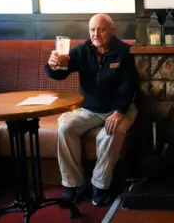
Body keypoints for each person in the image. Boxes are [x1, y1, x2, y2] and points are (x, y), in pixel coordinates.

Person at [45, 13, 138, 206]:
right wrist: (52, 65)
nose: (96, 34)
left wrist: (118, 112)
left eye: (101, 29)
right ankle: (72, 185)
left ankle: (100, 186)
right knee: (65, 128)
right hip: (89, 110)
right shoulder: (81, 51)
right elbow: (60, 73)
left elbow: (129, 86)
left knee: (110, 134)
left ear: (112, 31)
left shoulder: (124, 52)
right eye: (92, 30)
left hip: (119, 109)